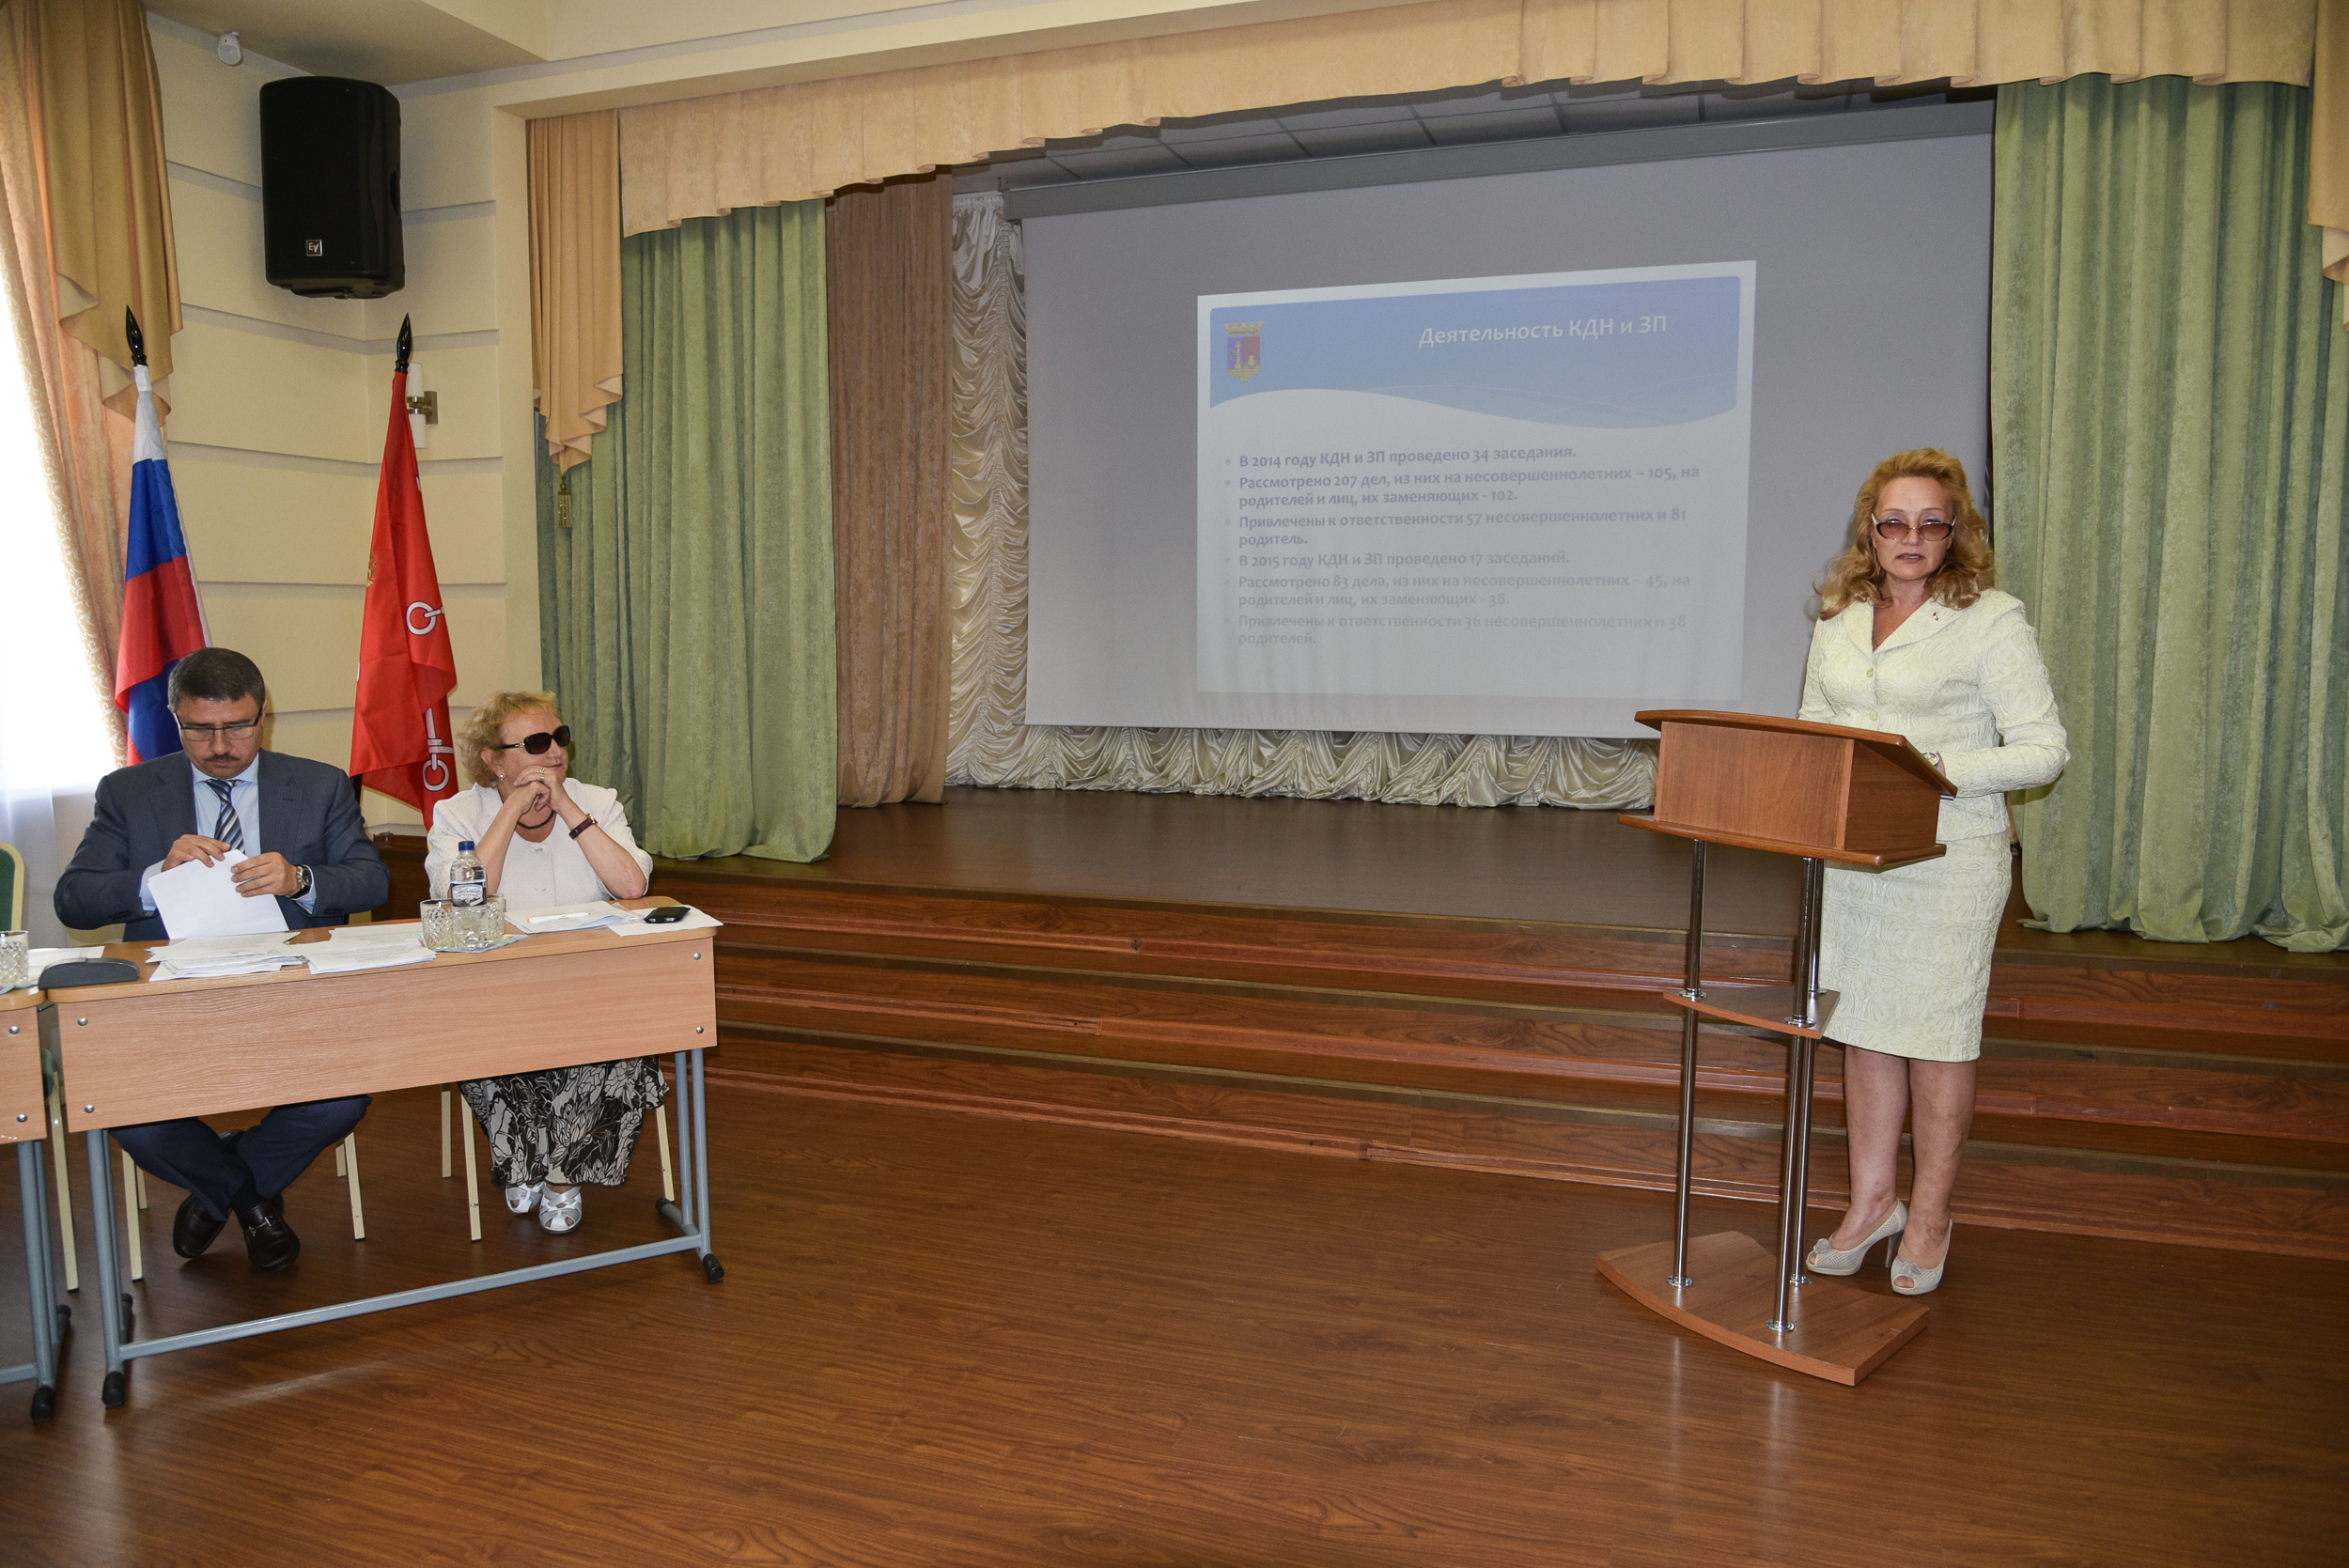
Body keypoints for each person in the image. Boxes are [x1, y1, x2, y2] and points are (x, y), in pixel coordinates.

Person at [1797, 450, 2067, 1296]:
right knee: (1866, 1027)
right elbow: (1814, 725)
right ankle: (1873, 1201)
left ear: (1955, 534)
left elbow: (2044, 748)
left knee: (1938, 1038)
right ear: (1870, 531)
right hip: (1858, 856)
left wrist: (1937, 767)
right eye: (1893, 521)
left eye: (1930, 522)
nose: (1910, 536)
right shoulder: (1839, 616)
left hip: (1952, 857)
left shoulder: (1991, 620)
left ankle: (1931, 1216)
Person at [55, 646, 390, 1271]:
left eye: (237, 726)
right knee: (127, 1111)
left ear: (264, 714)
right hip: (170, 998)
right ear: (175, 719)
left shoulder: (317, 784)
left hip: (291, 990)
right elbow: (74, 898)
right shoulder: (129, 791)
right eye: (199, 729)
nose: (219, 746)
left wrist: (300, 878)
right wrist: (153, 877)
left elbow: (372, 881)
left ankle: (222, 1184)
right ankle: (250, 1200)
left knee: (341, 1100)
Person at [426, 691, 661, 1234]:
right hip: (495, 987)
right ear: (493, 759)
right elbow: (460, 899)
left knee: (623, 1043)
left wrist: (569, 810)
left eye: (560, 738)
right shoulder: (457, 814)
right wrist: (511, 807)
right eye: (535, 743)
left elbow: (631, 886)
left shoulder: (596, 801)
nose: (554, 752)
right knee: (482, 1039)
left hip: (589, 983)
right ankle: (525, 1159)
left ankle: (559, 1174)